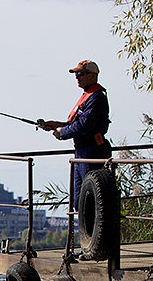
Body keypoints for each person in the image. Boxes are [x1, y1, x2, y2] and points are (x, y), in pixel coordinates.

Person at [40, 59, 112, 209]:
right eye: (76, 74)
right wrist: (58, 125)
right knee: (79, 200)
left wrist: (62, 133)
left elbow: (84, 125)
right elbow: (78, 123)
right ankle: (84, 231)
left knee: (90, 199)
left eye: (81, 74)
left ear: (93, 76)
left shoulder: (97, 97)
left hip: (93, 152)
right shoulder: (88, 95)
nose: (77, 77)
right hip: (81, 152)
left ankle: (95, 231)